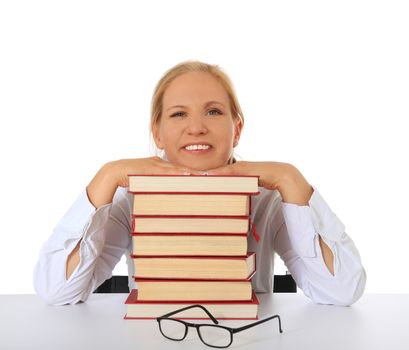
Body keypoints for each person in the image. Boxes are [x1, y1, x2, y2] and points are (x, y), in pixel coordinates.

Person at [33, 60, 366, 306]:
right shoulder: (128, 200)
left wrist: (291, 178)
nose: (196, 128)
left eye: (214, 112)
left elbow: (342, 291)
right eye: (179, 114)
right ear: (157, 133)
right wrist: (107, 175)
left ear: (237, 129)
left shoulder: (269, 199)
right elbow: (55, 291)